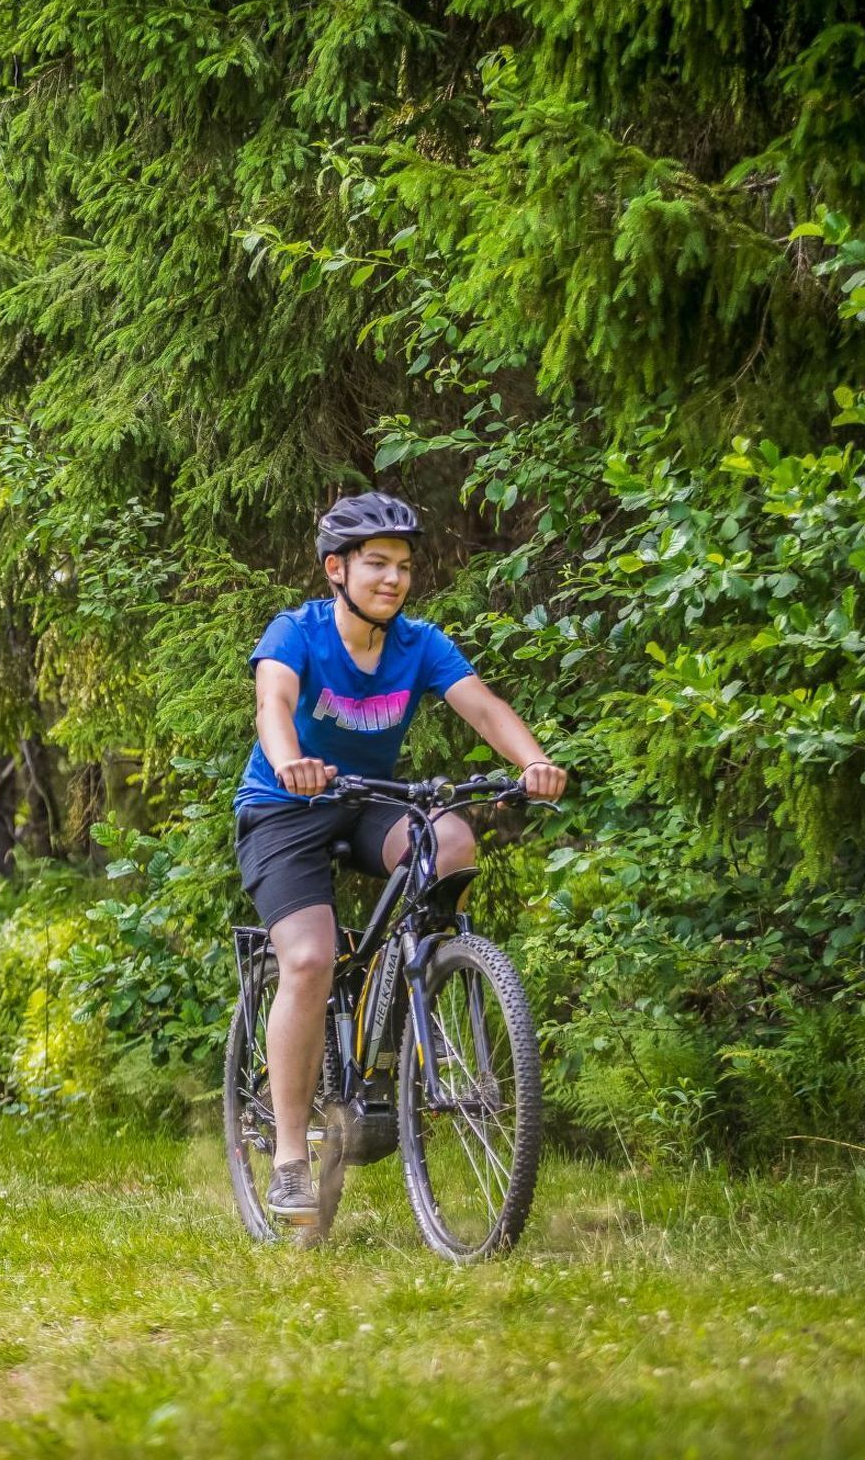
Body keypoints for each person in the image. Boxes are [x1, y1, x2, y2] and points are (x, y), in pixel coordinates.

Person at [235, 493, 567, 1222]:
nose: (393, 579)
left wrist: (534, 761)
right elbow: (274, 704)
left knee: (449, 838)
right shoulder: (298, 631)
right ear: (337, 568)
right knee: (309, 960)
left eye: (404, 567)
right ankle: (292, 1156)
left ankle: (417, 973)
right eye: (376, 564)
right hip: (284, 807)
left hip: (365, 800)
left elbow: (480, 705)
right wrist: (291, 761)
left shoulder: (418, 644)